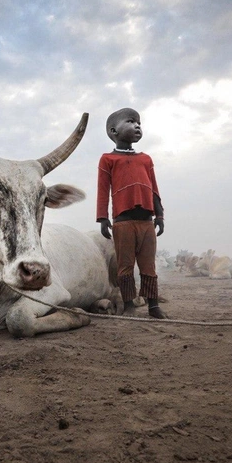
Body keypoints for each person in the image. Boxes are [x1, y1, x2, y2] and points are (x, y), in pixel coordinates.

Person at [96, 107, 167, 319]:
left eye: (139, 123)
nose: (137, 126)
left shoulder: (146, 159)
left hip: (147, 221)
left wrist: (160, 215)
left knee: (149, 265)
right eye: (131, 121)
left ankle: (153, 306)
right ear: (113, 131)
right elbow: (103, 190)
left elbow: (154, 188)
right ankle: (129, 306)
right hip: (122, 222)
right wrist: (102, 218)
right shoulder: (108, 159)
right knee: (125, 266)